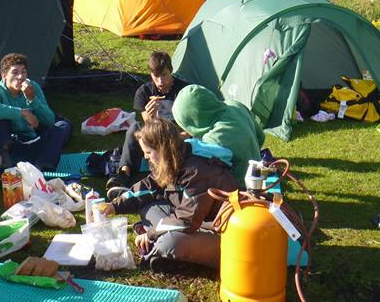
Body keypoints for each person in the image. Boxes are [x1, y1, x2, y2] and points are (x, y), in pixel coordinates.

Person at [107, 118, 238, 272]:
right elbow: (149, 186)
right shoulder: (174, 158)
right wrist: (114, 206)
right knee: (148, 207)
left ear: (162, 148)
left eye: (148, 152)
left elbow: (186, 220)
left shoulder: (199, 170)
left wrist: (151, 234)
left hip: (220, 234)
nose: (146, 157)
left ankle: (162, 251)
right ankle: (164, 247)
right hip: (194, 222)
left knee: (170, 242)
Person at [106, 51, 189, 199]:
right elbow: (150, 130)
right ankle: (124, 175)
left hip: (178, 136)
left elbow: (192, 127)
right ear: (150, 74)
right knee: (134, 128)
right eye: (156, 76)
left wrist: (177, 136)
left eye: (164, 75)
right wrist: (152, 116)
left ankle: (166, 181)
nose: (160, 81)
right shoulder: (144, 92)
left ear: (171, 71)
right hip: (157, 136)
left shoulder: (184, 91)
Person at [0, 53, 71, 171]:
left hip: (30, 140)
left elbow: (50, 120)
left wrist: (32, 99)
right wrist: (23, 112)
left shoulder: (32, 87)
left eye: (23, 72)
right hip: (7, 146)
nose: (20, 77)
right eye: (15, 72)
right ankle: (4, 165)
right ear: (4, 75)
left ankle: (42, 168)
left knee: (62, 126)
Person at [172, 84, 264, 184]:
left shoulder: (213, 140)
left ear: (193, 121)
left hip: (240, 189)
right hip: (257, 172)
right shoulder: (235, 105)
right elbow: (261, 136)